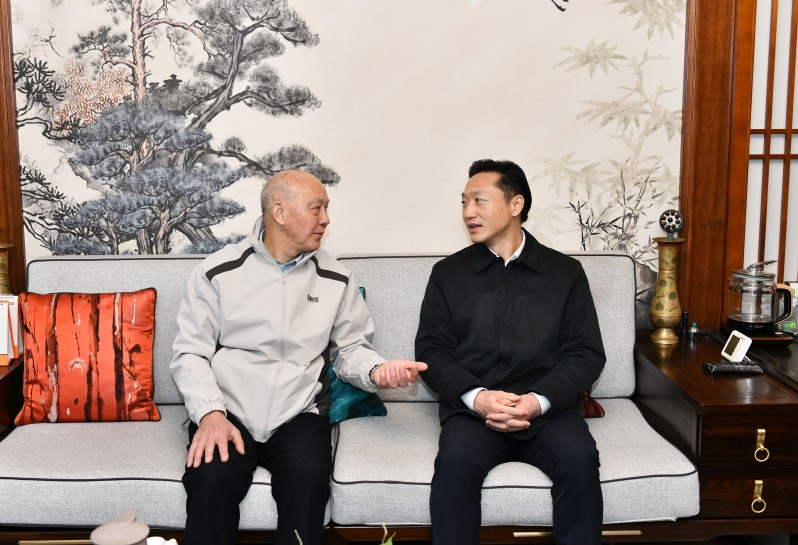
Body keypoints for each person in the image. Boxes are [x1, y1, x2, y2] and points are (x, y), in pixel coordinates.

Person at [170, 170, 427, 545]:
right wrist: (209, 414)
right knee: (211, 481)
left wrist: (376, 371)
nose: (326, 219)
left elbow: (350, 350)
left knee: (307, 484)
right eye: (316, 208)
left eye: (326, 208)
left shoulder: (336, 278)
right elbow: (190, 351)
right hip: (227, 411)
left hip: (298, 414)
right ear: (279, 212)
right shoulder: (218, 271)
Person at [415, 159, 605, 545]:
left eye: (479, 200)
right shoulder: (448, 274)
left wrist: (538, 401)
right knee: (455, 462)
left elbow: (585, 353)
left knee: (579, 458)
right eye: (464, 202)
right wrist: (478, 397)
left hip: (548, 413)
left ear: (516, 204)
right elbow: (432, 351)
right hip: (475, 413)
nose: (469, 212)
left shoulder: (564, 273)